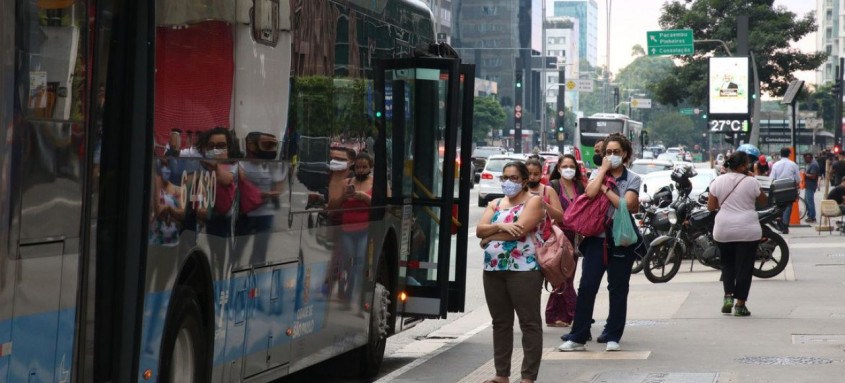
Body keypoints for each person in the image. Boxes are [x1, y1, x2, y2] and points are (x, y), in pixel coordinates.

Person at [558, 133, 641, 353]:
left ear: (625, 154)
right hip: (596, 239)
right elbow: (589, 192)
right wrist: (603, 172)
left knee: (618, 288)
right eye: (608, 152)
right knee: (587, 287)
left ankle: (613, 335)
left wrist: (606, 189)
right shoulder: (597, 173)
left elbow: (627, 205)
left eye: (616, 152)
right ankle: (578, 336)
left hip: (621, 239)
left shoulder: (632, 178)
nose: (612, 156)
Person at [476, 161, 545, 383]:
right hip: (493, 269)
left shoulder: (534, 201)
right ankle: (501, 375)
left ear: (525, 180)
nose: (508, 182)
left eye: (514, 178)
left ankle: (528, 377)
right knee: (501, 323)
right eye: (504, 177)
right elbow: (479, 230)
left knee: (529, 323)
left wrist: (491, 236)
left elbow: (520, 231)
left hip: (524, 270)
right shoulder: (495, 203)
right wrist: (502, 227)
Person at [707, 151, 767, 317]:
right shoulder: (751, 181)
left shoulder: (718, 181)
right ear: (742, 166)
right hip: (748, 230)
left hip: (723, 229)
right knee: (744, 268)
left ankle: (728, 297)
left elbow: (711, 207)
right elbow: (763, 200)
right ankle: (740, 305)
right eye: (746, 164)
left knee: (727, 265)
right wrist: (750, 176)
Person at [544, 154, 586, 328]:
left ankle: (559, 315)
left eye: (572, 166)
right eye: (565, 166)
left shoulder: (579, 186)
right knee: (562, 276)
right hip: (559, 235)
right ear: (559, 169)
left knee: (569, 275)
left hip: (576, 236)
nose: (569, 169)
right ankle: (574, 311)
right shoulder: (553, 186)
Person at [235, 132, 285, 263]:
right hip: (245, 214)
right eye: (266, 145)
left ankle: (254, 280)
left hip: (265, 215)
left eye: (273, 145)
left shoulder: (273, 165)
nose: (271, 150)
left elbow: (278, 188)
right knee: (237, 250)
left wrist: (264, 195)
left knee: (260, 252)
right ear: (251, 145)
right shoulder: (241, 164)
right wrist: (262, 194)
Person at [337, 152, 374, 308]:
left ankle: (349, 295)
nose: (361, 170)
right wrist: (344, 197)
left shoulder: (375, 184)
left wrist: (363, 197)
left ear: (370, 167)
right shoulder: (346, 183)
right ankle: (342, 282)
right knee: (348, 260)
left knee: (358, 263)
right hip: (347, 229)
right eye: (358, 167)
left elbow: (382, 206)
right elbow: (333, 205)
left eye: (364, 167)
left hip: (364, 230)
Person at [769, 147, 800, 234]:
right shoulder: (793, 164)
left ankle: (780, 223)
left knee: (778, 206)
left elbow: (771, 178)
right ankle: (785, 225)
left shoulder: (776, 165)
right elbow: (798, 179)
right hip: (790, 188)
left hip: (778, 188)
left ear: (780, 154)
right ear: (789, 154)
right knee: (788, 206)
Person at [803, 153, 820, 223]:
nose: (804, 160)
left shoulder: (813, 164)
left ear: (809, 157)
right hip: (808, 185)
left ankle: (812, 216)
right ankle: (810, 215)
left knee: (810, 201)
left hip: (811, 185)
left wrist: (805, 174)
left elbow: (813, 176)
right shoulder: (810, 163)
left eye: (805, 159)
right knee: (806, 201)